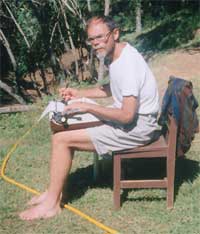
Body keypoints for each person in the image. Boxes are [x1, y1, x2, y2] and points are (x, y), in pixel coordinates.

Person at [19, 16, 159, 220]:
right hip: (133, 120)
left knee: (62, 138)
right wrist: (80, 93)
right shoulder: (119, 54)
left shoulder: (128, 64)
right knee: (62, 126)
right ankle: (53, 193)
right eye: (91, 39)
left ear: (115, 33)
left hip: (139, 127)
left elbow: (127, 116)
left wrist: (88, 107)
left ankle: (52, 204)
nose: (96, 44)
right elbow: (113, 88)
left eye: (100, 37)